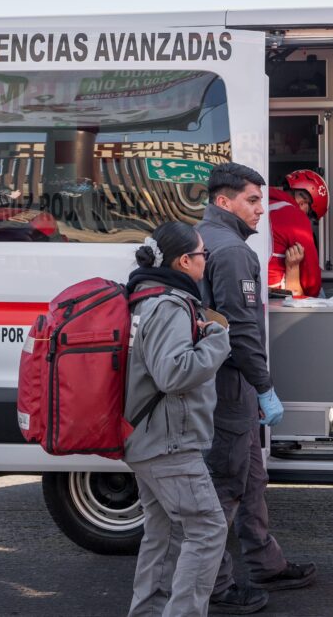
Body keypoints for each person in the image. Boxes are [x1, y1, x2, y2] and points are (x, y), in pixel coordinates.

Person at [197, 162, 317, 615]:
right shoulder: (231, 252)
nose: (261, 210)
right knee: (227, 484)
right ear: (223, 201)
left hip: (224, 382)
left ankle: (265, 563)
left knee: (251, 477)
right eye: (252, 200)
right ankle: (214, 584)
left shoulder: (205, 238)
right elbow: (240, 330)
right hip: (230, 384)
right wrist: (264, 386)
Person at [123, 221, 231, 617]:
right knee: (206, 530)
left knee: (164, 533)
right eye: (203, 254)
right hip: (170, 442)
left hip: (146, 439)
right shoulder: (170, 304)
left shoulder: (143, 297)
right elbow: (173, 374)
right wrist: (217, 341)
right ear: (184, 260)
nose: (206, 260)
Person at [267, 170, 328, 297]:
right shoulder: (295, 216)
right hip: (276, 296)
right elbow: (312, 284)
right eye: (308, 208)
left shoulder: (259, 203)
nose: (304, 209)